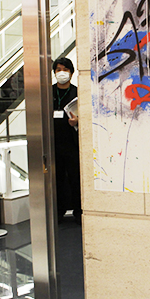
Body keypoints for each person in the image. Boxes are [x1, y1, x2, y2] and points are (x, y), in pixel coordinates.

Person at [52, 57, 82, 224]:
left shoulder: (77, 92)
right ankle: (58, 211)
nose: (62, 73)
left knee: (75, 178)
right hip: (53, 144)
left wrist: (77, 122)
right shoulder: (48, 92)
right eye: (58, 70)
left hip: (72, 143)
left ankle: (78, 211)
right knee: (57, 180)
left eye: (65, 70)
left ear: (71, 72)